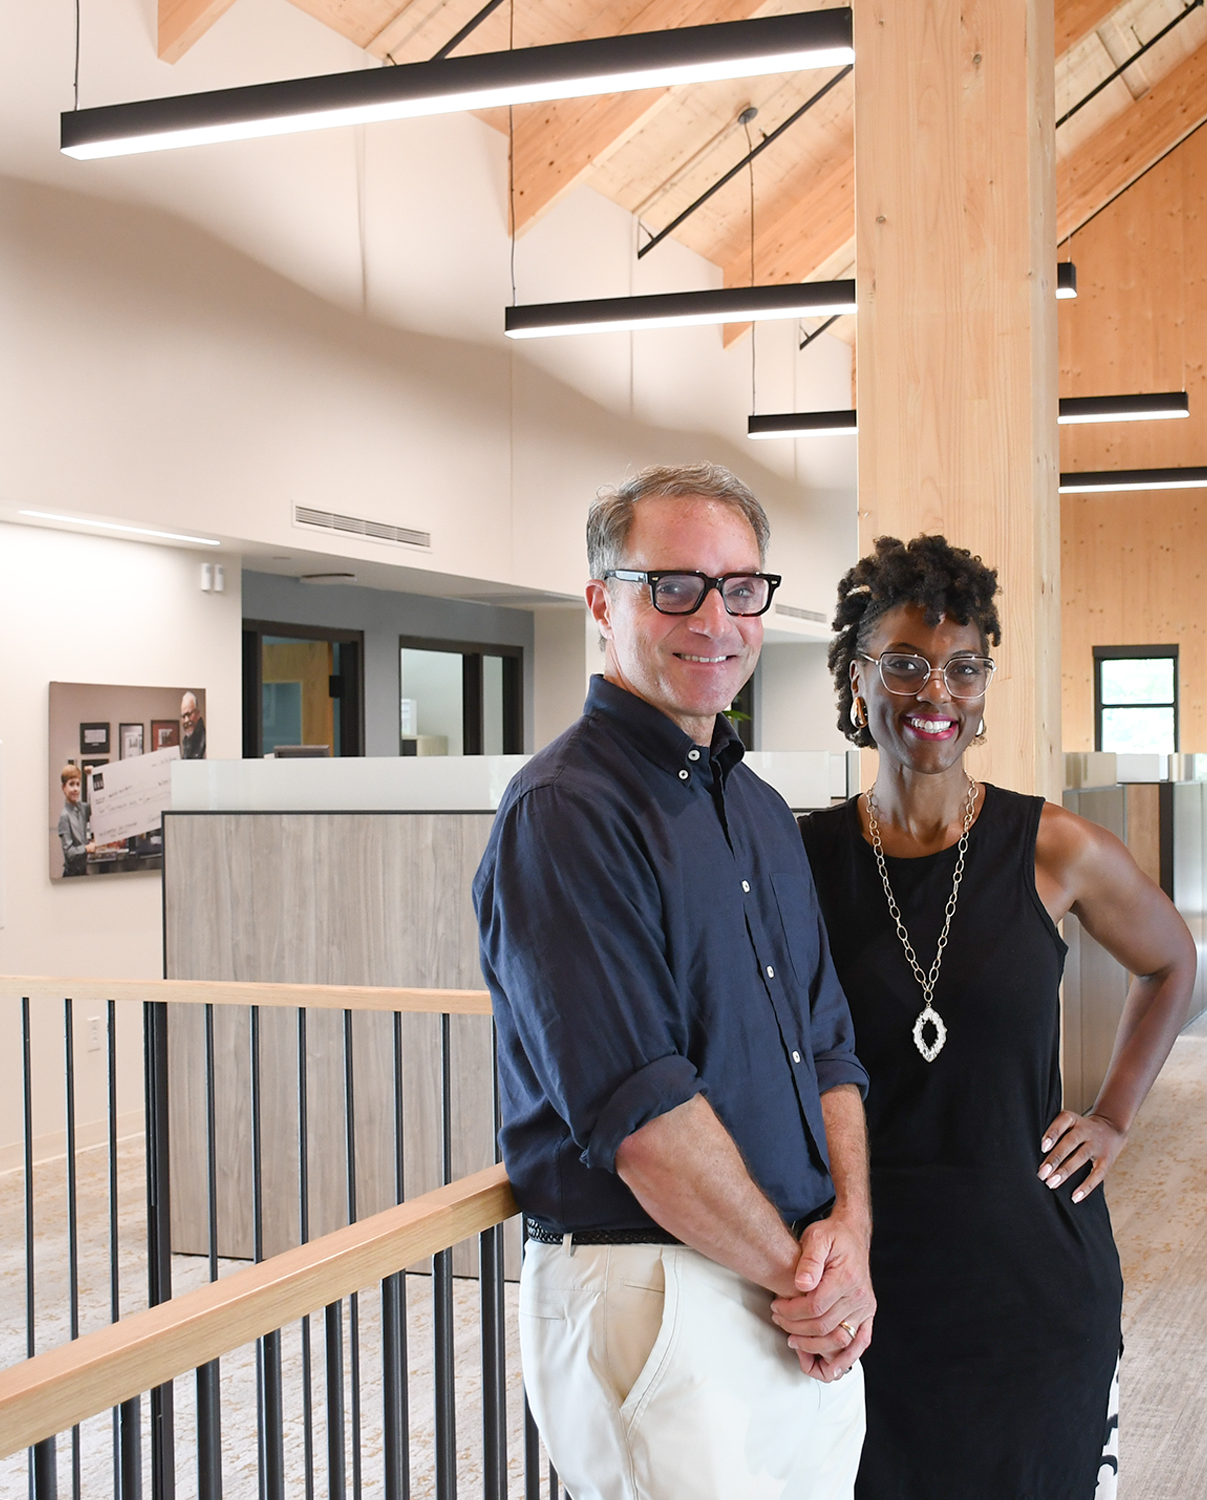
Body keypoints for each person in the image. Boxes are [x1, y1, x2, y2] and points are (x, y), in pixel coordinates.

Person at [473, 463, 873, 1500]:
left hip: (795, 1287)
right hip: (658, 1289)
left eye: (742, 588)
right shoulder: (565, 813)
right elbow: (643, 1114)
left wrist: (852, 1238)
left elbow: (830, 1050)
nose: (717, 618)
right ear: (603, 600)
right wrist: (808, 1279)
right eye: (676, 585)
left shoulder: (760, 814)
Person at [799, 534, 1200, 1500]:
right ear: (856, 681)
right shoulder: (801, 859)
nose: (934, 691)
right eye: (903, 663)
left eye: (963, 668)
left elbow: (1171, 961)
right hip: (869, 1280)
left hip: (1033, 1272)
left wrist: (1113, 1115)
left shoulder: (1052, 848)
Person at [56, 763, 89, 877]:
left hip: (83, 872)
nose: (75, 789)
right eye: (71, 784)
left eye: (78, 784)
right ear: (63, 787)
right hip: (72, 875)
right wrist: (86, 849)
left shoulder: (83, 808)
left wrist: (92, 775)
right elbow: (69, 853)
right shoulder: (65, 816)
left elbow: (98, 804)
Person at [178, 692, 206, 758]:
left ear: (198, 714)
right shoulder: (186, 741)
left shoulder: (207, 740)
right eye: (183, 716)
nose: (186, 720)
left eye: (189, 714)